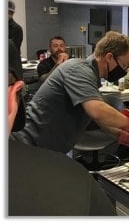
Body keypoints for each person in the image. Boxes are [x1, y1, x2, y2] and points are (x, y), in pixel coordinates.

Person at [8, 39, 117, 216]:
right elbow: (97, 111)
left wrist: (123, 134)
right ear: (13, 97)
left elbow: (97, 118)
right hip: (35, 146)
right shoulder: (75, 184)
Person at [11, 31, 129, 155]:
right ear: (109, 57)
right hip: (28, 145)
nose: (125, 71)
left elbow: (100, 121)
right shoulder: (78, 69)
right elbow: (97, 111)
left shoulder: (91, 76)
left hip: (47, 149)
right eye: (124, 65)